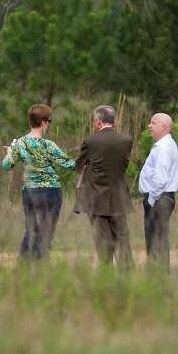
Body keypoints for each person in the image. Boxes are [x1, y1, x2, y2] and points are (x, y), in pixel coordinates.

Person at [1, 104, 76, 260]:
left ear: (30, 121)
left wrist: (9, 152)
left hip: (29, 192)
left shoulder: (20, 143)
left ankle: (24, 266)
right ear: (44, 123)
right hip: (51, 192)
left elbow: (6, 165)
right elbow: (70, 164)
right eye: (49, 121)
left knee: (31, 230)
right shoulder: (48, 145)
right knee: (46, 232)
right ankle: (41, 266)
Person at [74, 105, 134, 267]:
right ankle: (127, 273)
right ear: (113, 120)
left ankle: (106, 274)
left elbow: (78, 166)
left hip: (96, 197)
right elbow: (123, 165)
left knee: (102, 239)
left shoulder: (90, 141)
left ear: (99, 121)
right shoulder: (126, 140)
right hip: (118, 197)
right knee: (122, 237)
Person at [138, 112, 178, 269]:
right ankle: (158, 276)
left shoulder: (163, 148)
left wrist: (151, 200)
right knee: (157, 239)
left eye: (153, 122)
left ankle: (158, 278)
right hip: (160, 198)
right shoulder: (165, 145)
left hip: (159, 199)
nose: (149, 125)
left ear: (163, 127)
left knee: (156, 240)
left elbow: (160, 179)